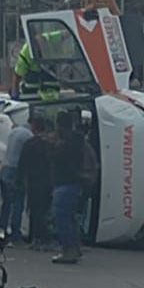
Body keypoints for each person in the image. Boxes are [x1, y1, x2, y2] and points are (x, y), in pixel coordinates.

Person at [49, 111, 86, 264]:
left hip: (64, 182)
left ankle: (68, 250)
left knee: (62, 217)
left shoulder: (65, 142)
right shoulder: (77, 140)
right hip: (74, 183)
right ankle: (75, 248)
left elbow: (58, 160)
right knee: (70, 218)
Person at [17, 116, 55, 250]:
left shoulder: (30, 144)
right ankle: (44, 239)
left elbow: (22, 164)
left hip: (33, 181)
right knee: (45, 211)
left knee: (35, 211)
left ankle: (37, 238)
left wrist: (19, 180)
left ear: (33, 127)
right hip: (49, 181)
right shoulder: (50, 144)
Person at [0, 121, 33, 243]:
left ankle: (1, 231)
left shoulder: (13, 132)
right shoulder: (28, 135)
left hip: (5, 169)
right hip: (16, 170)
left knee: (6, 204)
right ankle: (15, 234)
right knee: (17, 203)